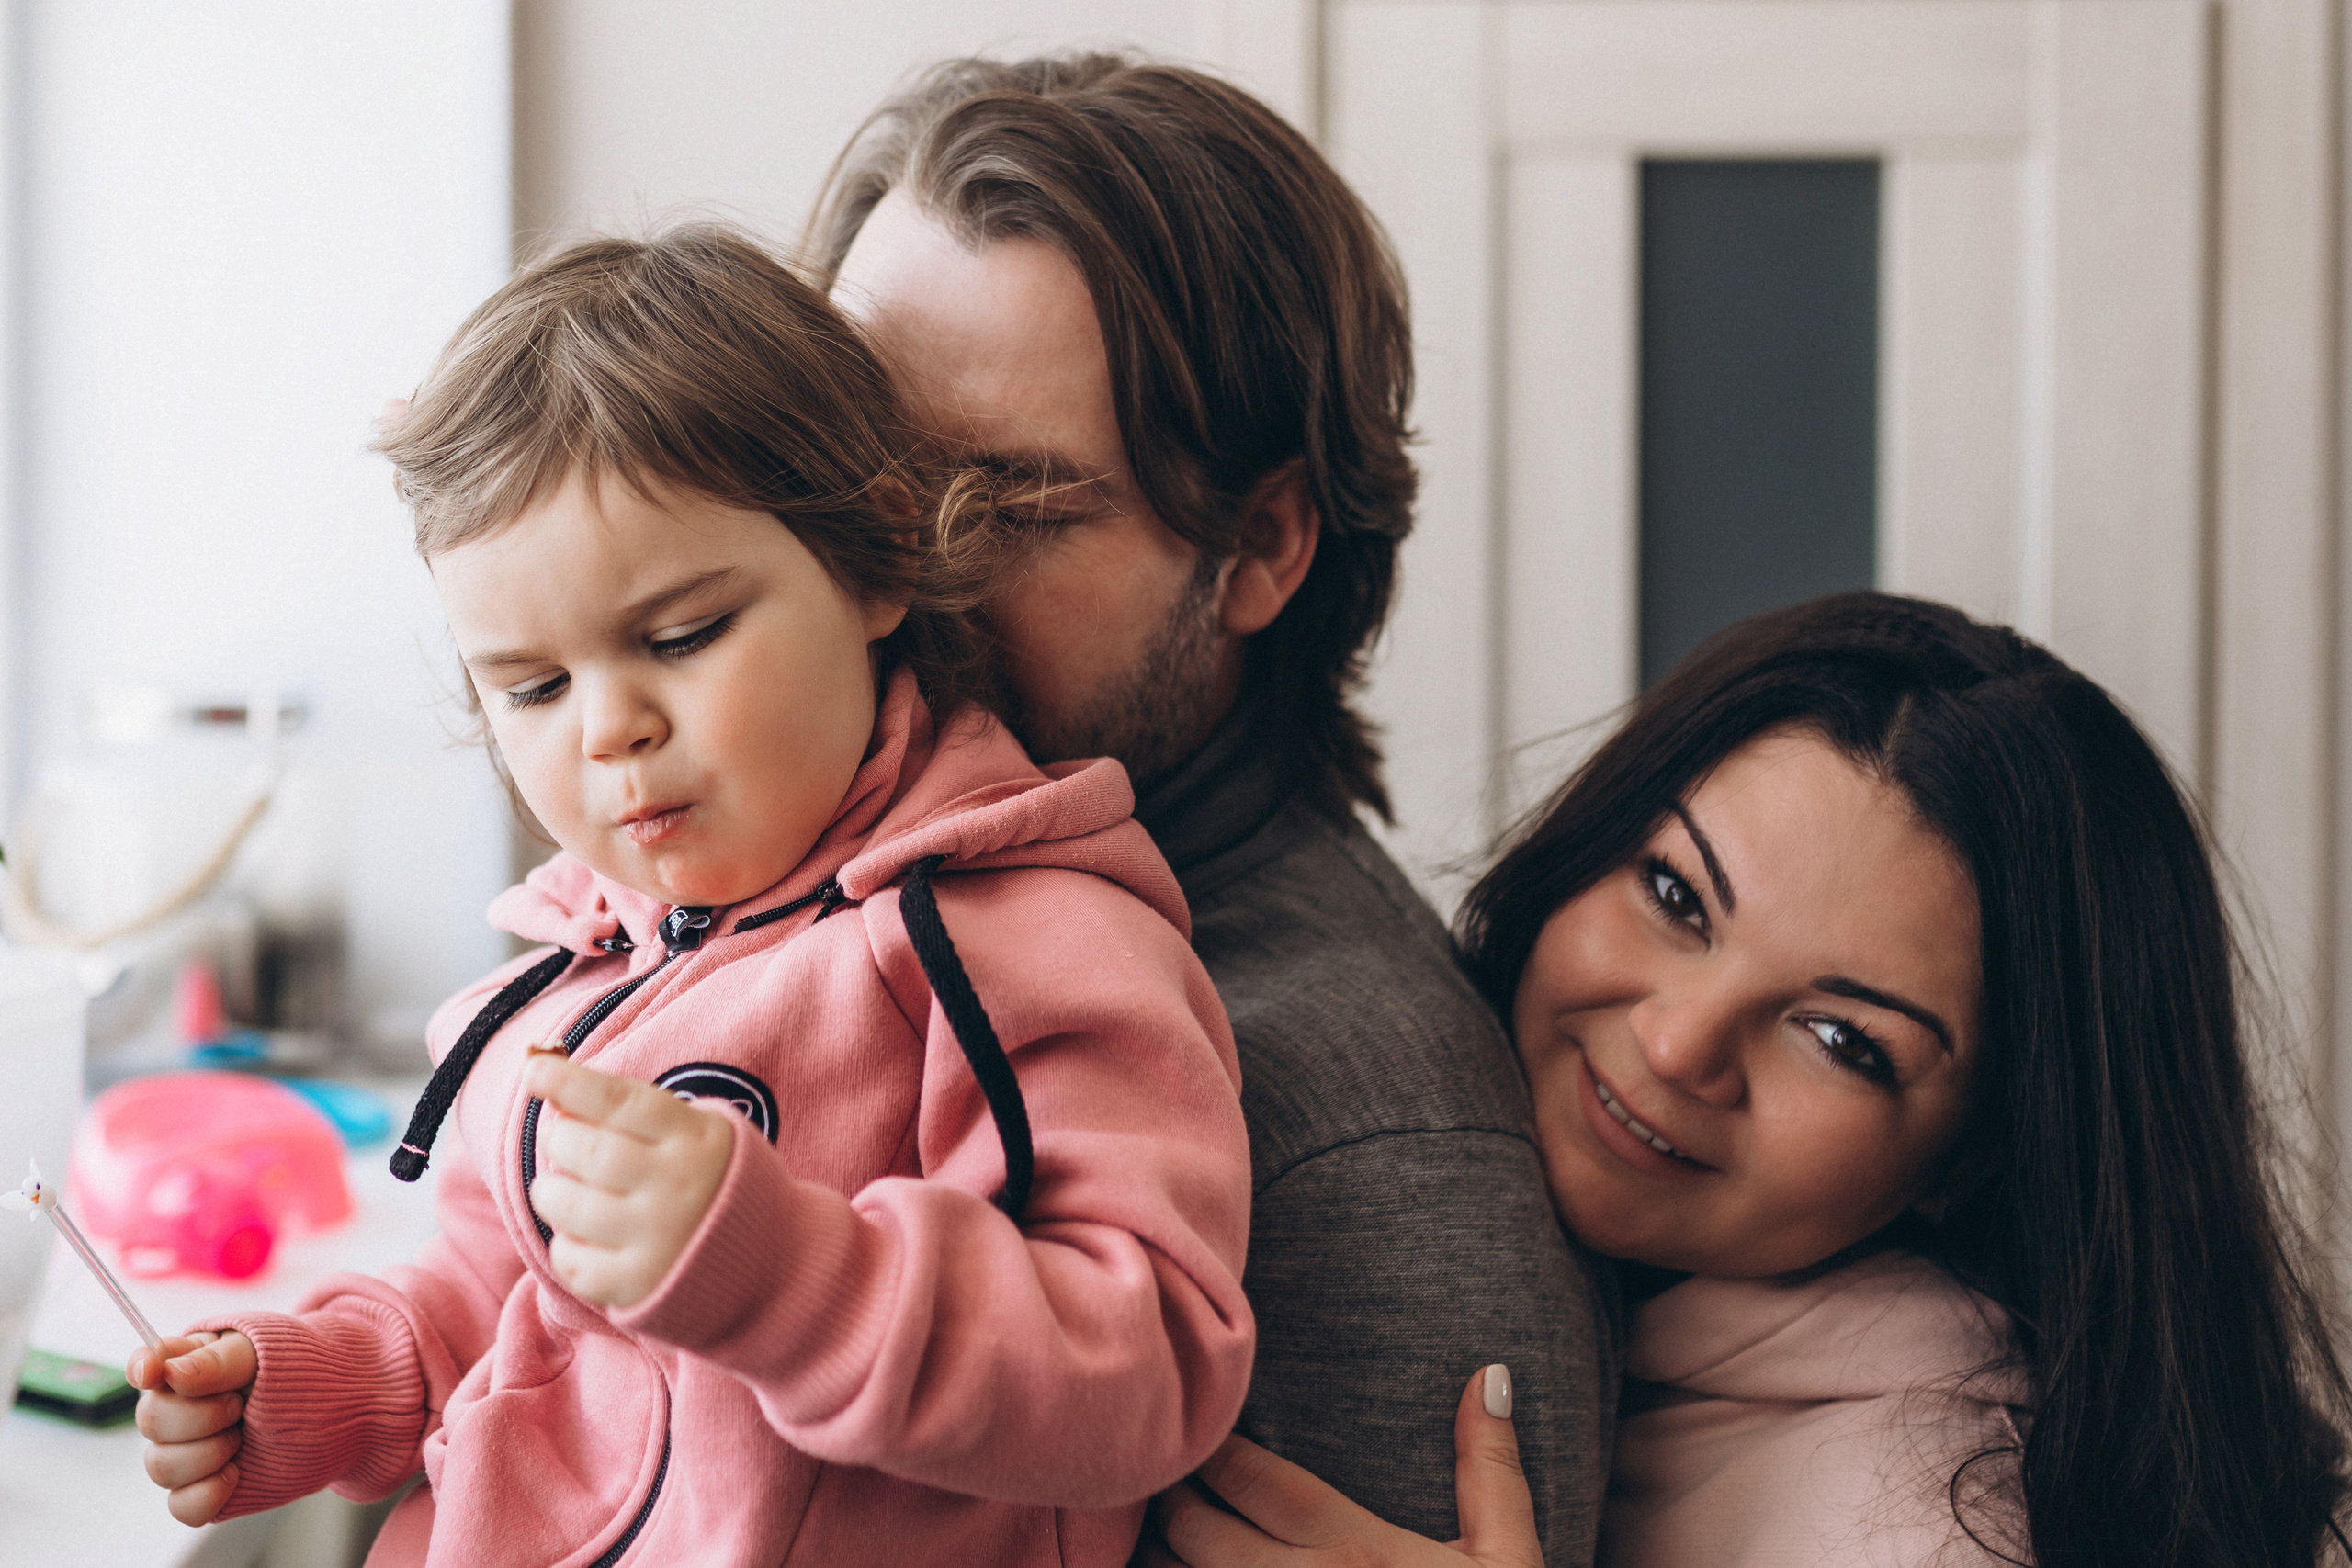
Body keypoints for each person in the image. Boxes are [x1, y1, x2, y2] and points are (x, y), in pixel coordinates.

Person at [123, 226, 1258, 1568]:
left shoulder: (1023, 943)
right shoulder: (574, 963)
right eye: (532, 688)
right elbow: (498, 1296)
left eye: (681, 637)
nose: (610, 731)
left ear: (877, 560)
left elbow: (1159, 1359)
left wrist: (793, 1280)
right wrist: (307, 1385)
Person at [811, 55, 1616, 1565]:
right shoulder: (825, 899)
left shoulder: (1347, 1155)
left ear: (1258, 548)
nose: (883, 581)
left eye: (1013, 508)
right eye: (855, 479)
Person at [1149, 592, 2352, 1566]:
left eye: (1844, 1040)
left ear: (1974, 1159)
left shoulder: (1921, 1526)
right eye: (1675, 897)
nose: (1680, 1047)